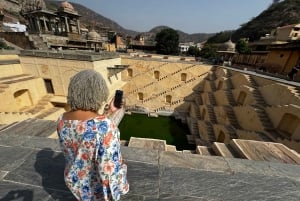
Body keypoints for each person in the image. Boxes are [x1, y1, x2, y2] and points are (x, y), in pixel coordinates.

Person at [56, 69, 129, 201]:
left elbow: (87, 129)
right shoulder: (106, 128)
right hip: (96, 190)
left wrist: (110, 113)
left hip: (75, 182)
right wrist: (122, 186)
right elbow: (109, 170)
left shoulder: (61, 120)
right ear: (99, 94)